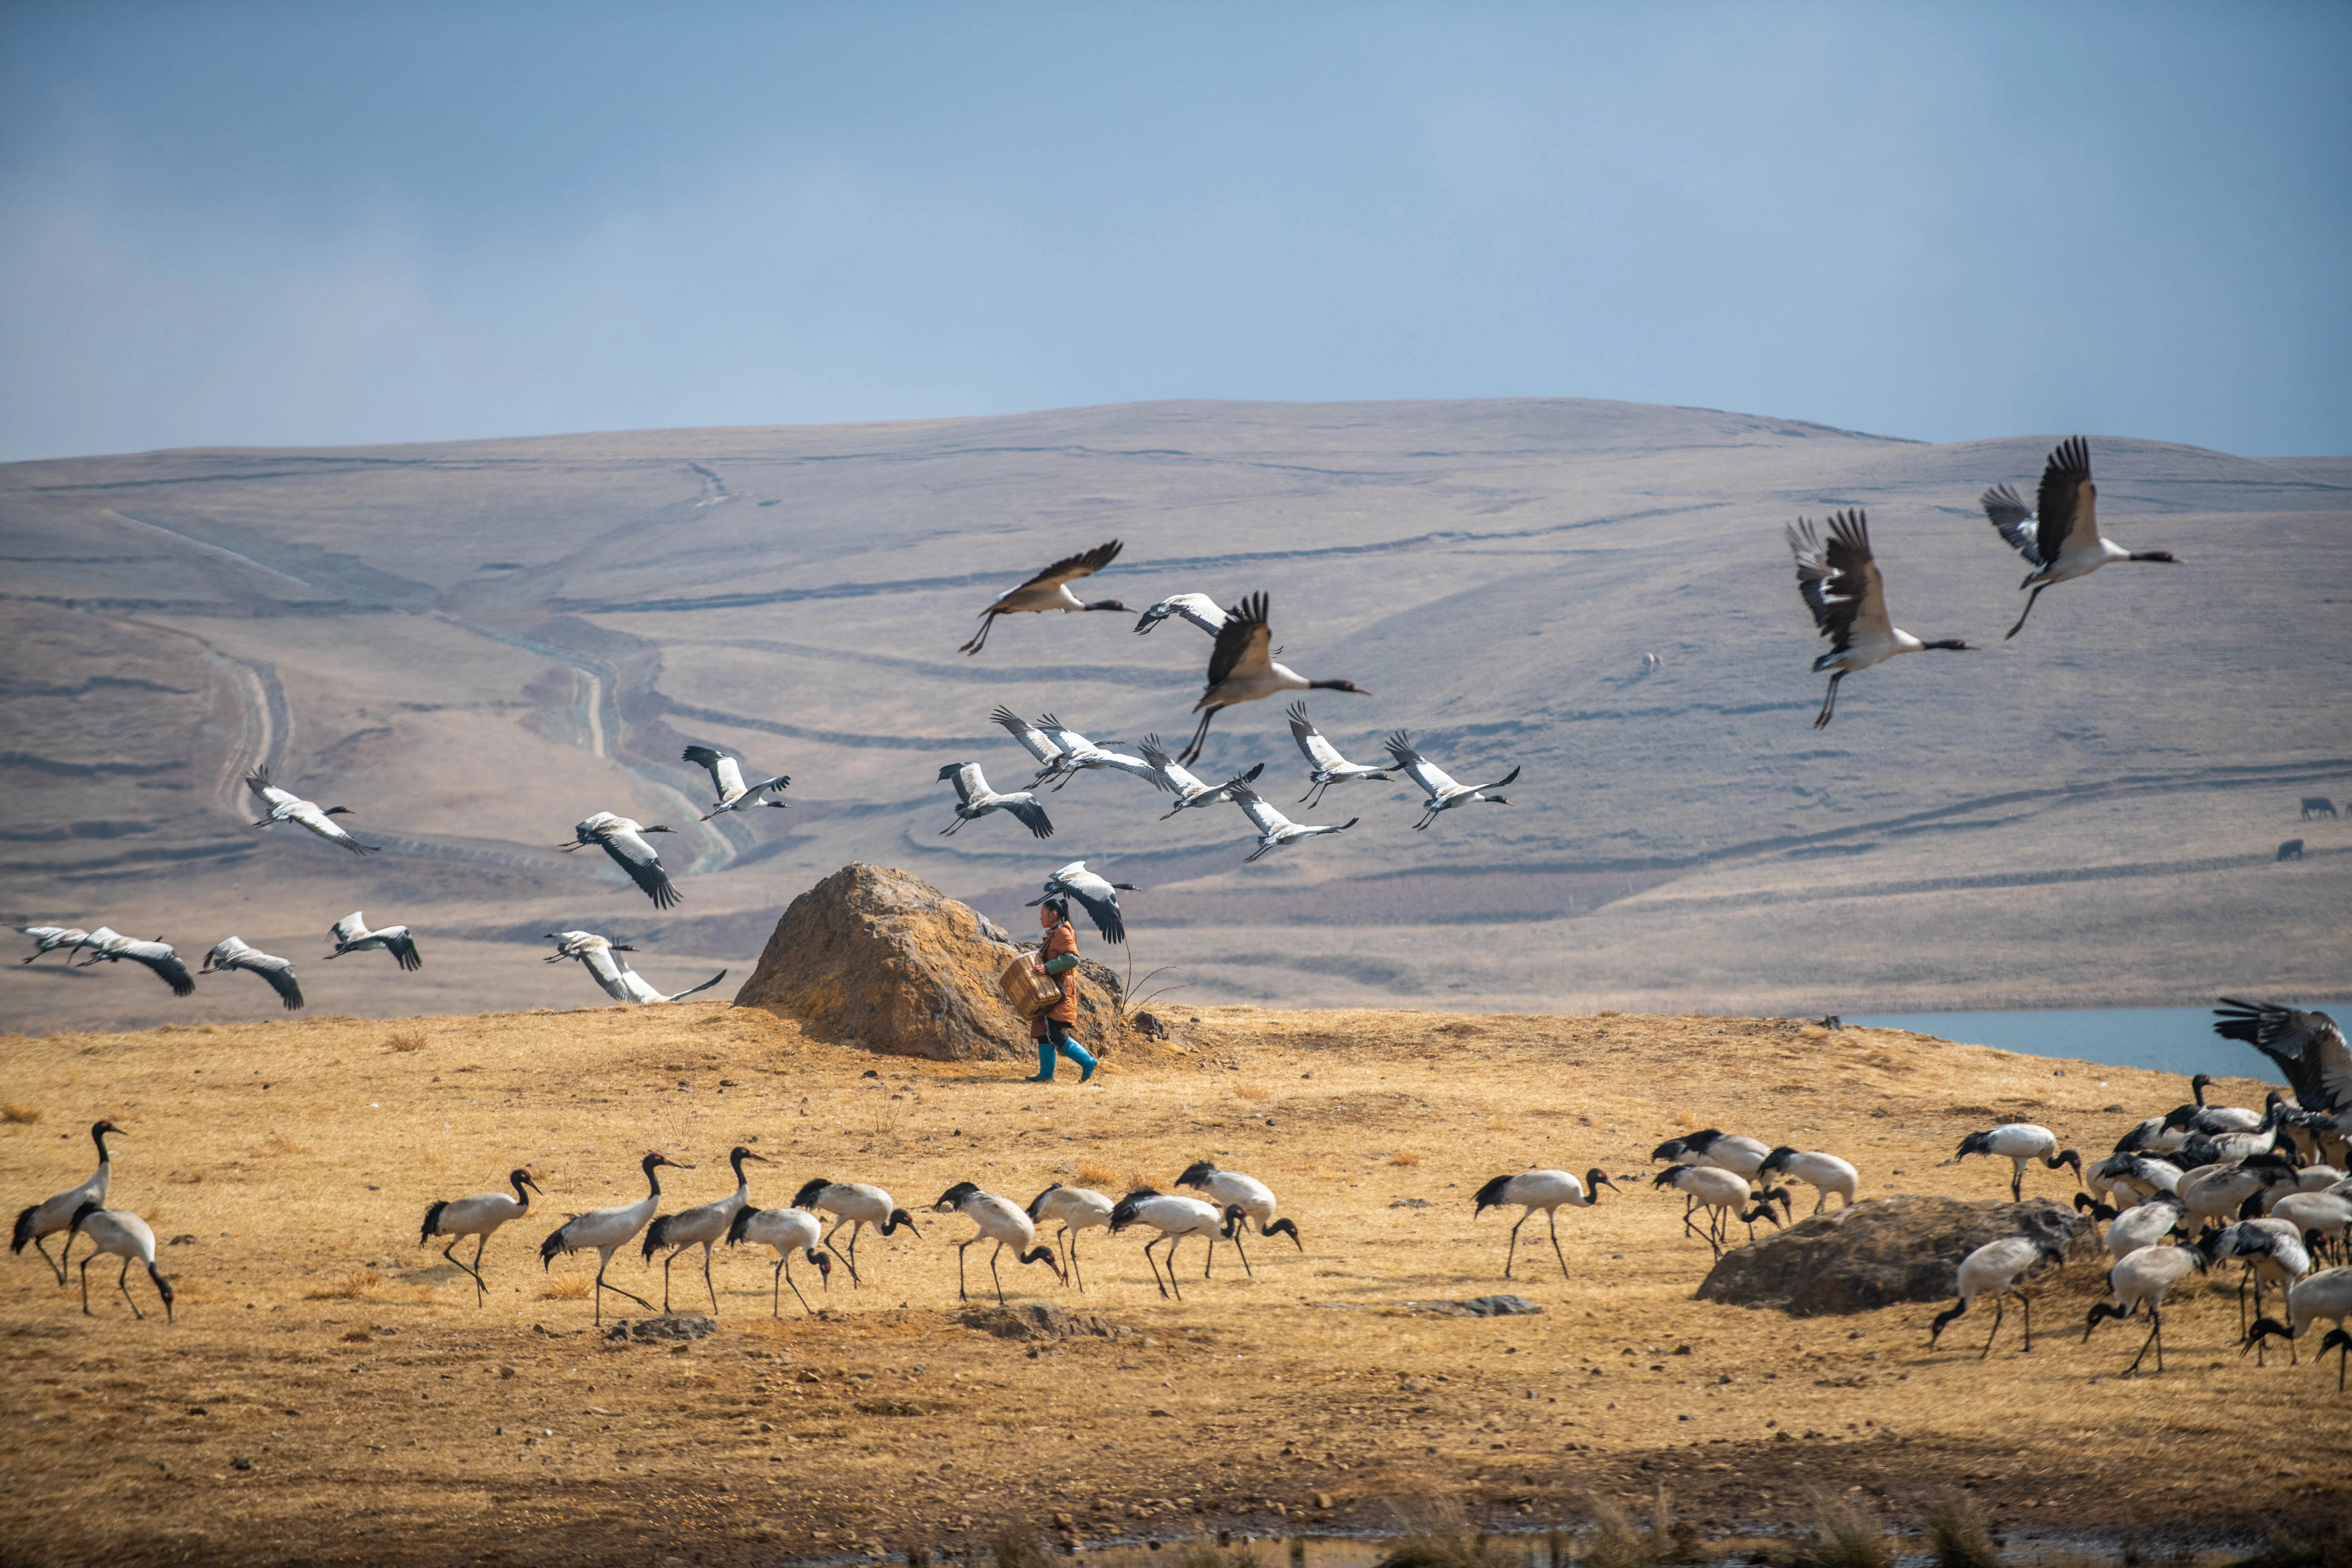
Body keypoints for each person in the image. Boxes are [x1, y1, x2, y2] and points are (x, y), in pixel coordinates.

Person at [1027, 898, 1098, 1084]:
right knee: (1044, 1031)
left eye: (1043, 914)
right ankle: (1046, 1075)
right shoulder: (1055, 934)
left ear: (1054, 914)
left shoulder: (1063, 933)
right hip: (1053, 991)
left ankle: (1088, 1062)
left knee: (1056, 1033)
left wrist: (1048, 967)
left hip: (1062, 991)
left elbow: (1073, 959)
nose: (1040, 918)